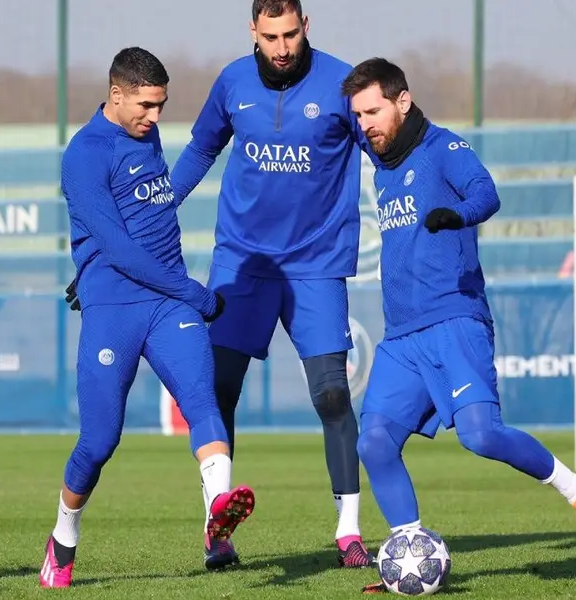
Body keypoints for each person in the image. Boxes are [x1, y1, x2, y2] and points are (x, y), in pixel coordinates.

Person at [339, 57, 576, 571]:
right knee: (374, 442)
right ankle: (410, 552)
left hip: (455, 319)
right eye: (358, 115)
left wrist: (458, 216)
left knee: (481, 435)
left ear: (403, 101)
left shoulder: (442, 148)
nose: (364, 125)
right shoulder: (377, 148)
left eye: (372, 112)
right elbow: (329, 119)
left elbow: (486, 193)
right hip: (402, 337)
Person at [169, 0, 374, 570]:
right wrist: (158, 212)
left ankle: (349, 529)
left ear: (306, 27)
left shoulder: (341, 82)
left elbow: (383, 142)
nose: (282, 47)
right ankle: (217, 527)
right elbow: (201, 149)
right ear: (253, 32)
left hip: (317, 264)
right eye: (270, 36)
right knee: (217, 393)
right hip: (243, 263)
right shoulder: (232, 81)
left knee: (332, 394)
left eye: (291, 34)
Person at [39, 47, 255, 589]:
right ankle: (63, 537)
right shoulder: (84, 153)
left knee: (203, 399)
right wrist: (195, 293)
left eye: (161, 105)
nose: (155, 117)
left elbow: (150, 212)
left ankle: (217, 518)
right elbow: (117, 246)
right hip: (115, 308)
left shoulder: (146, 133)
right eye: (146, 105)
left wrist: (180, 295)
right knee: (100, 440)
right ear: (116, 95)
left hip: (166, 305)